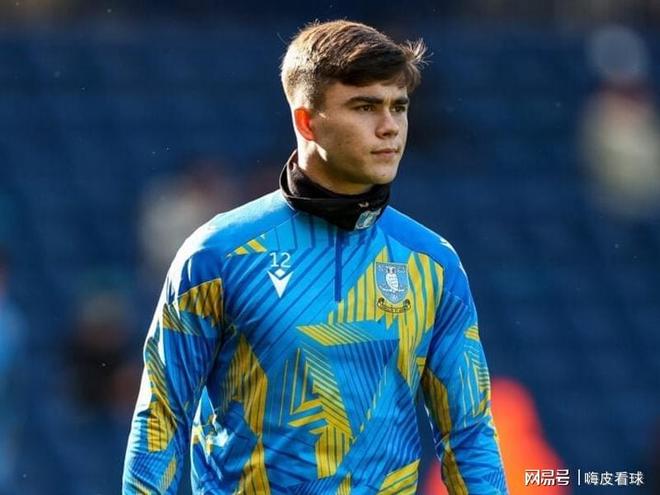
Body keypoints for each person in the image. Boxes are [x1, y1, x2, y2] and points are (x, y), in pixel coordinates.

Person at [123, 20, 508, 494]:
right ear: (307, 121)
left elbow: (468, 434)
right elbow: (161, 418)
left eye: (399, 106)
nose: (389, 126)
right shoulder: (217, 255)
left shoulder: (433, 263)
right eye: (365, 107)